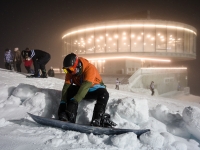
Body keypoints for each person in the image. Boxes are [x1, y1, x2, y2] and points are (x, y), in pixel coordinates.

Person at [58, 53, 116, 128]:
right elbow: (66, 87)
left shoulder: (90, 68)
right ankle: (69, 117)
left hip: (94, 89)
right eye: (66, 70)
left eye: (71, 69)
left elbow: (85, 86)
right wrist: (63, 102)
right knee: (70, 89)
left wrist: (74, 101)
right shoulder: (70, 71)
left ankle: (97, 119)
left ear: (78, 66)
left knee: (104, 94)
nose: (69, 72)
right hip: (82, 89)